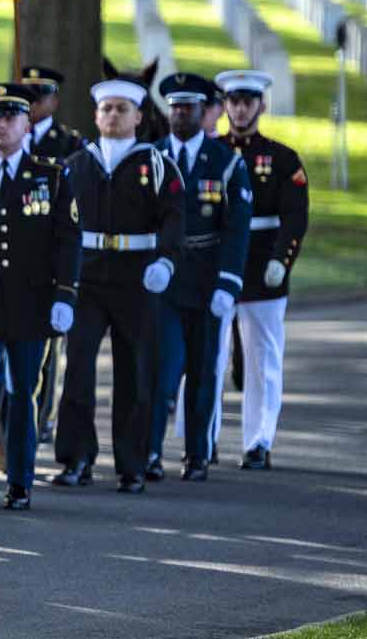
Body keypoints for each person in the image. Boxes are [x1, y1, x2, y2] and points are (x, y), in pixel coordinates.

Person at [0, 83, 80, 510]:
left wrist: (65, 296)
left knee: (25, 390)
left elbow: (67, 241)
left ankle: (20, 480)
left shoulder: (52, 177)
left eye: (9, 118)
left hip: (31, 302)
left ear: (27, 124)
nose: (0, 125)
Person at [52, 76, 184, 495]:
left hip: (135, 277)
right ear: (95, 115)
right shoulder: (76, 165)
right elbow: (59, 226)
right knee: (78, 369)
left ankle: (132, 463)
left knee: (135, 372)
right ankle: (76, 457)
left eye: (121, 109)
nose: (112, 116)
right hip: (87, 277)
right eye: (106, 109)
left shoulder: (157, 164)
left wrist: (165, 258)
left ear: (138, 118)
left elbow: (176, 217)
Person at [146, 73, 250, 483]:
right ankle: (151, 450)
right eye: (174, 107)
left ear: (205, 111)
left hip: (207, 282)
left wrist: (228, 283)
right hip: (166, 282)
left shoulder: (226, 162)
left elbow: (235, 229)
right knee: (163, 369)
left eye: (188, 107)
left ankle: (197, 454)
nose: (180, 114)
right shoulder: (151, 157)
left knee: (204, 374)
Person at [215, 69, 308, 470]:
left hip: (262, 265)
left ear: (261, 106)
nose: (239, 109)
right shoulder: (212, 152)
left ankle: (258, 441)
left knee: (262, 358)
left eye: (247, 102)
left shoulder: (283, 159)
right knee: (207, 357)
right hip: (218, 265)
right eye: (233, 102)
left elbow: (294, 216)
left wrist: (280, 260)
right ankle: (201, 439)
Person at [16, 65, 85, 445]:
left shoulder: (71, 146)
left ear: (54, 100)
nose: (33, 102)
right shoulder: (9, 137)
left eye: (40, 95)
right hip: (11, 259)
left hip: (48, 260)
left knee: (47, 350)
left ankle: (42, 418)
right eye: (26, 95)